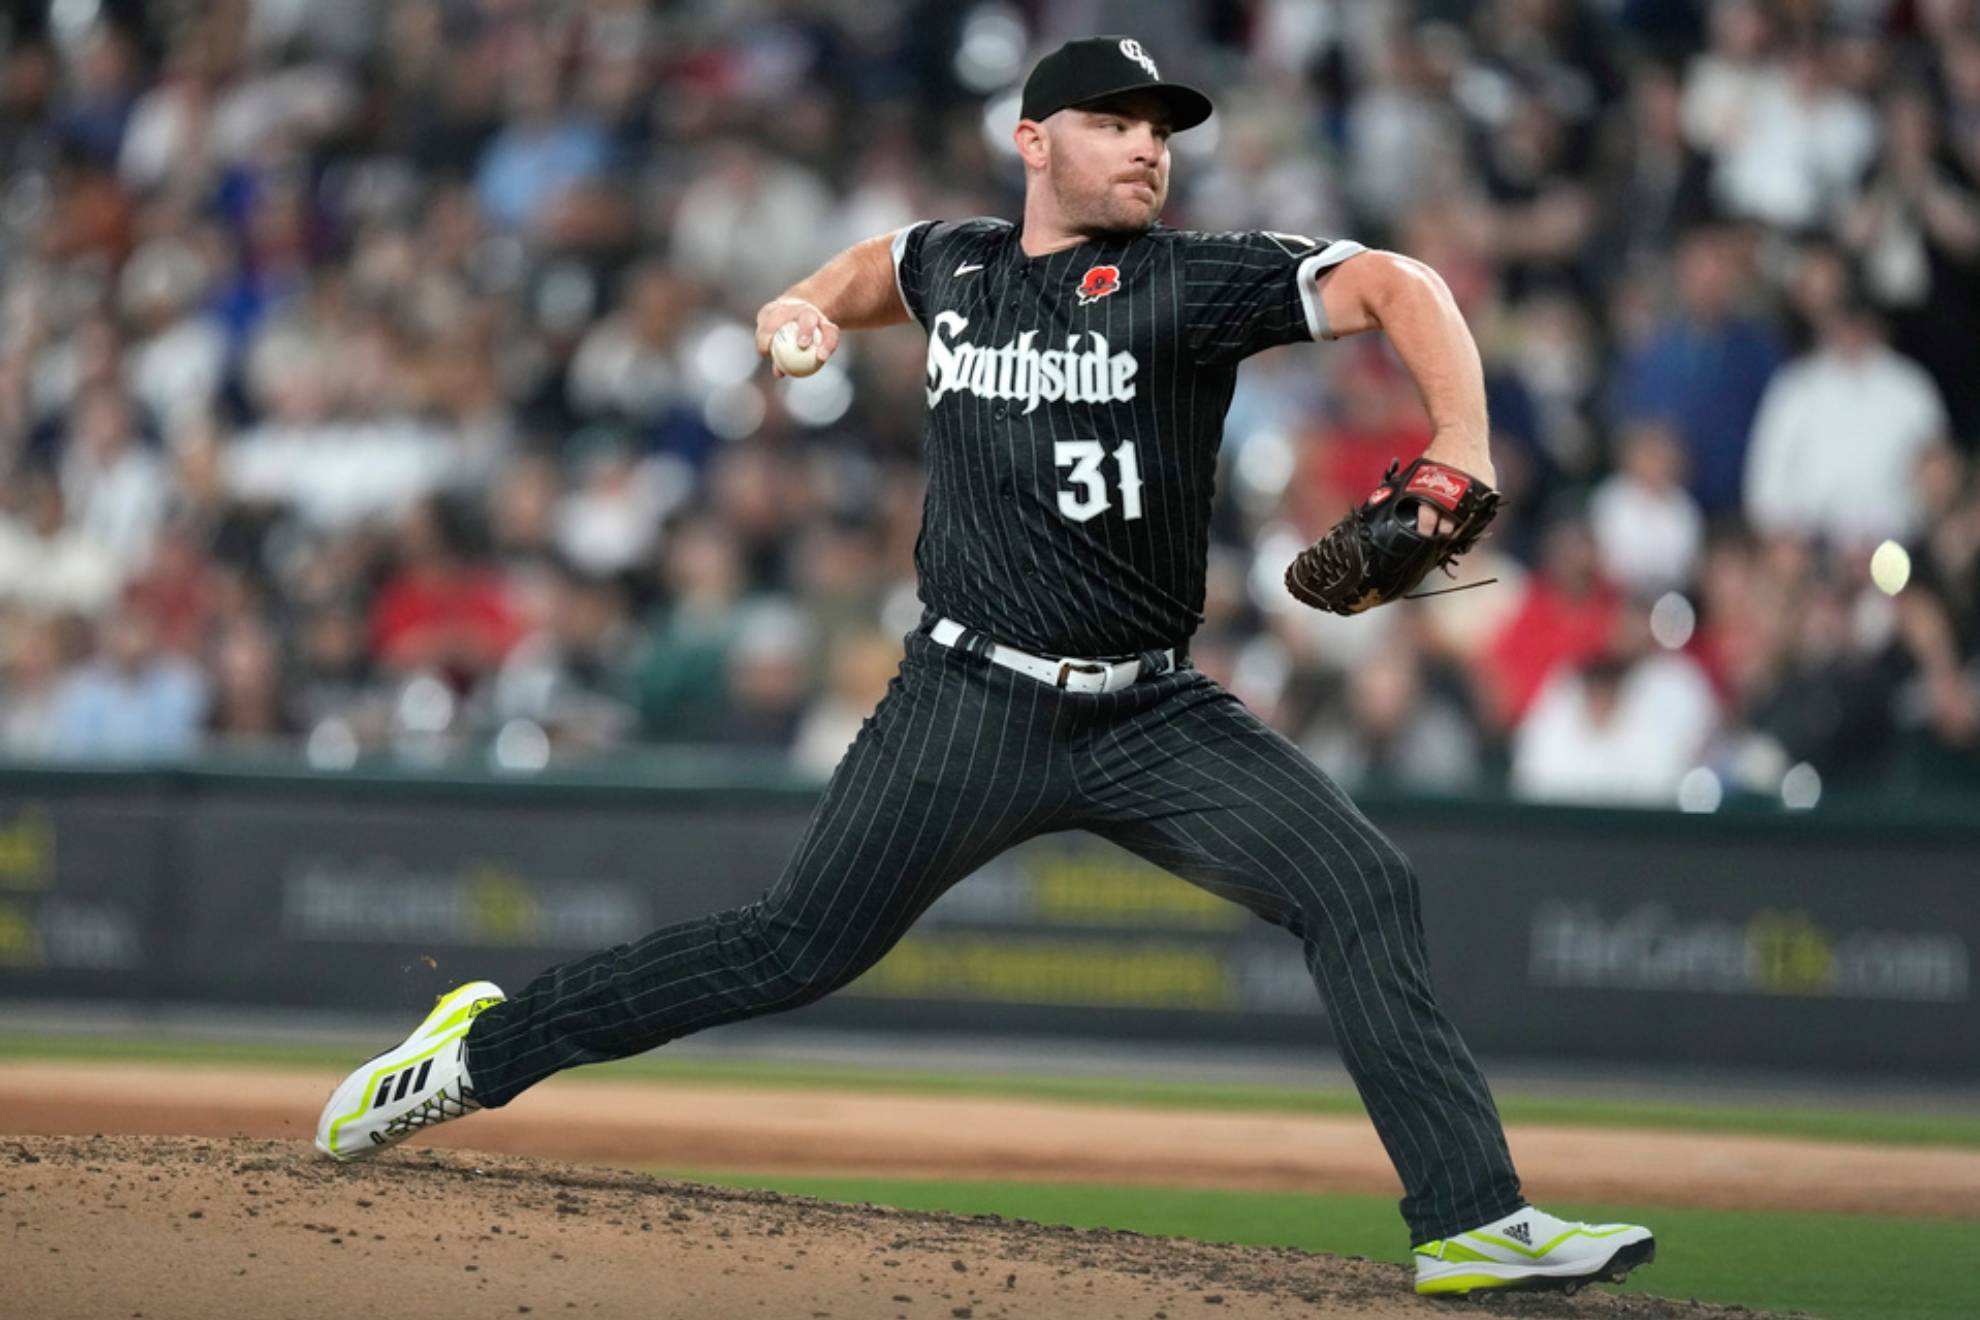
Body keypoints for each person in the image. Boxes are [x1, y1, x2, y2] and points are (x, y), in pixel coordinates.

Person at [315, 37, 1654, 1299]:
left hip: (1149, 709)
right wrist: (797, 305)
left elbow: (1396, 284)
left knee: (1360, 882)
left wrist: (1462, 435)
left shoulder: (1193, 280)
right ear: (1033, 141)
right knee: (786, 951)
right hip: (968, 702)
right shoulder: (958, 263)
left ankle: (1471, 1224)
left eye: (1159, 130)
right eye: (1113, 125)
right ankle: (478, 1052)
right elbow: (867, 269)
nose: (1146, 150)